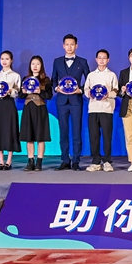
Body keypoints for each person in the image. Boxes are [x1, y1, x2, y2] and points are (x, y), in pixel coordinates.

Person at [50, 34, 91, 171]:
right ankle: (65, 160)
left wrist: (81, 90)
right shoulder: (57, 62)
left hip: (76, 101)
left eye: (72, 44)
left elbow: (89, 80)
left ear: (76, 46)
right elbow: (53, 79)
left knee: (77, 131)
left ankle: (76, 160)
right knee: (63, 131)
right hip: (61, 101)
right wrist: (56, 88)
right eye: (67, 44)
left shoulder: (82, 62)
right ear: (63, 46)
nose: (69, 47)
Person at [83, 49, 119, 173]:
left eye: (104, 58)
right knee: (94, 136)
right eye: (99, 57)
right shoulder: (91, 75)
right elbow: (86, 89)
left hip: (107, 109)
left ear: (108, 60)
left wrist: (108, 94)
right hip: (93, 109)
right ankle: (96, 162)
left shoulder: (112, 75)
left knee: (107, 136)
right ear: (96, 59)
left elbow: (116, 91)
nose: (102, 60)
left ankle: (107, 161)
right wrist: (88, 93)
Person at [0, 50, 22, 170]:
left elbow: (18, 93)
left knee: (10, 130)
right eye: (2, 59)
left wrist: (10, 91)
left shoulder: (15, 76)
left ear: (11, 60)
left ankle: (9, 161)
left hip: (9, 104)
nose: (4, 61)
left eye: (7, 59)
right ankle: (1, 161)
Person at [20, 55, 53, 171]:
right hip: (28, 108)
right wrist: (24, 92)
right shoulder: (25, 79)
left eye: (38, 64)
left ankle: (39, 162)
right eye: (33, 64)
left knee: (40, 137)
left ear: (41, 66)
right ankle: (30, 161)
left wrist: (40, 91)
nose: (35, 66)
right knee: (29, 137)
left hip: (40, 109)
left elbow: (49, 96)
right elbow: (20, 95)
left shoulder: (46, 80)